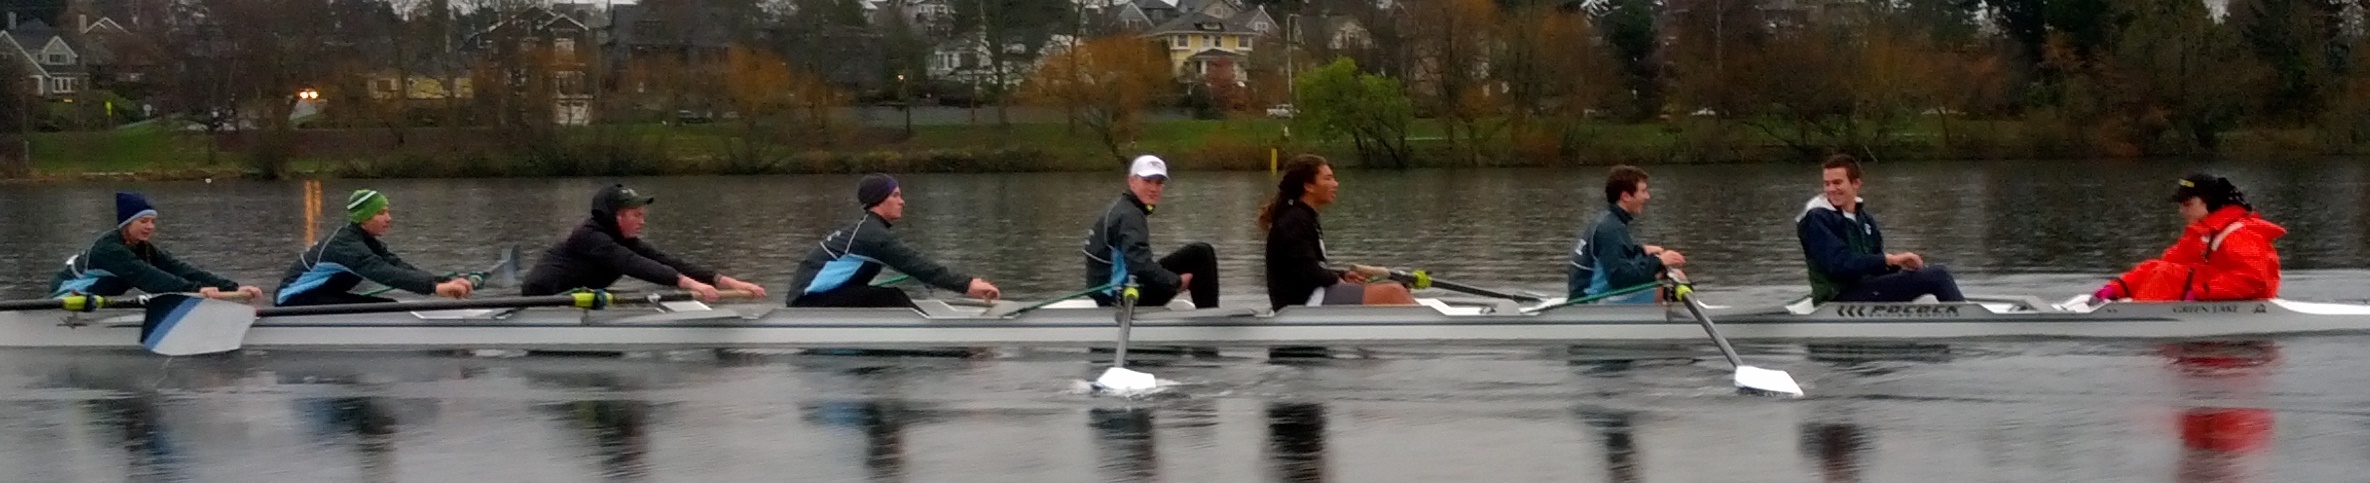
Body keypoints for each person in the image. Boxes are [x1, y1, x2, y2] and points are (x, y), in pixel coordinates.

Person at [520, 184, 767, 302]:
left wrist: (730, 282)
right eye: (636, 215)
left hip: (574, 300)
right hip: (542, 300)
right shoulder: (588, 237)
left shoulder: (622, 240)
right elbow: (632, 264)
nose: (642, 221)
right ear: (617, 216)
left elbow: (667, 262)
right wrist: (689, 285)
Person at [787, 174, 1001, 308]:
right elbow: (917, 265)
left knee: (885, 298)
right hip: (807, 303)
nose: (902, 201)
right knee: (890, 298)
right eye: (896, 196)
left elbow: (915, 266)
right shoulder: (871, 236)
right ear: (879, 200)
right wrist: (968, 285)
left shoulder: (869, 230)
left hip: (817, 298)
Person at [1797, 155, 1965, 303]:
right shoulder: (1817, 218)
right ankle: (1967, 321)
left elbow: (1874, 264)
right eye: (1827, 184)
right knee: (1938, 276)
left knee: (1927, 273)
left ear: (1856, 184)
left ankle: (1960, 314)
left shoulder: (1865, 219)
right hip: (1838, 296)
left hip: (1865, 289)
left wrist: (1899, 267)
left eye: (1837, 183)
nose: (1831, 189)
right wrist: (1889, 260)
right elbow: (1839, 264)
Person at [2091, 174, 2286, 302]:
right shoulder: (2202, 233)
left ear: (2209, 203)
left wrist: (2200, 293)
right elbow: (2162, 266)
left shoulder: (2239, 233)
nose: (2181, 210)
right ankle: (2116, 297)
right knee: (2155, 267)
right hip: (2216, 295)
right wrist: (2118, 288)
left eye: (2187, 204)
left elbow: (2254, 280)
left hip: (2249, 301)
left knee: (2167, 274)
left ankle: (2138, 316)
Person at [1260, 154, 1417, 311]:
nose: (1335, 184)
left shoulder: (1302, 216)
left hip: (1310, 295)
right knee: (1394, 292)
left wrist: (1342, 275)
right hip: (1302, 303)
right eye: (1327, 179)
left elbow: (1306, 268)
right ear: (1309, 186)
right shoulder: (1294, 221)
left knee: (1395, 289)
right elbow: (1308, 272)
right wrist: (1337, 279)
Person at [274, 190, 477, 306]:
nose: (389, 219)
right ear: (363, 218)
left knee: (389, 306)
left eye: (388, 212)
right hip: (293, 301)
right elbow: (383, 272)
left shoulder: (364, 240)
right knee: (388, 308)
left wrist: (443, 282)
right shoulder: (344, 246)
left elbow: (396, 266)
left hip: (317, 297)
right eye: (381, 213)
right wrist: (435, 288)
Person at [49, 192, 264, 300]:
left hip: (94, 301)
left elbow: (179, 269)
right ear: (127, 224)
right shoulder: (109, 249)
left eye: (152, 222)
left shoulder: (143, 248)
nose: (150, 227)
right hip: (66, 298)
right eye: (143, 222)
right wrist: (197, 290)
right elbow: (149, 277)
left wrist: (232, 287)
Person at [1081, 155, 1220, 308]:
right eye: (1147, 181)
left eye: (1159, 183)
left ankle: (1207, 316)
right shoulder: (1130, 216)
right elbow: (1139, 265)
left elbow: (1138, 263)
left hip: (1115, 290)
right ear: (1132, 181)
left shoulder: (1122, 208)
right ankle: (1210, 321)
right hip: (1121, 297)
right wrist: (1176, 282)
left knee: (1199, 251)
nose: (1154, 189)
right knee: (1201, 255)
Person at [1568, 165, 1686, 304]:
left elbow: (1617, 258)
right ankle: (1683, 323)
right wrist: (1659, 262)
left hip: (1586, 292)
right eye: (1643, 191)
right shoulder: (1611, 229)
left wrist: (1641, 251)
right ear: (1626, 196)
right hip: (1588, 302)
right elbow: (1621, 278)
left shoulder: (1608, 219)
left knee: (1668, 275)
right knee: (1669, 284)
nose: (1647, 197)